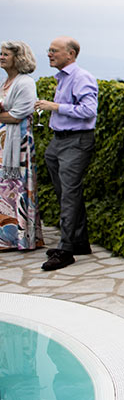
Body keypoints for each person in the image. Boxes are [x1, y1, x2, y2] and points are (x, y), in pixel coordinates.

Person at [34, 37, 99, 271]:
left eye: (54, 51)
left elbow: (89, 111)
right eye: (49, 50)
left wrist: (54, 107)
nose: (49, 54)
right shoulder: (63, 78)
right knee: (66, 193)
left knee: (69, 195)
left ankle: (66, 250)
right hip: (58, 142)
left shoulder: (81, 78)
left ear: (70, 54)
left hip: (76, 142)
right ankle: (79, 242)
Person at [0, 41, 41, 251]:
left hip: (19, 145)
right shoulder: (7, 81)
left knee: (17, 190)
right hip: (4, 143)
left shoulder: (25, 83)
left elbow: (17, 116)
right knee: (4, 191)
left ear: (18, 58)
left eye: (5, 54)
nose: (1, 57)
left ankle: (19, 238)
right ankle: (5, 236)